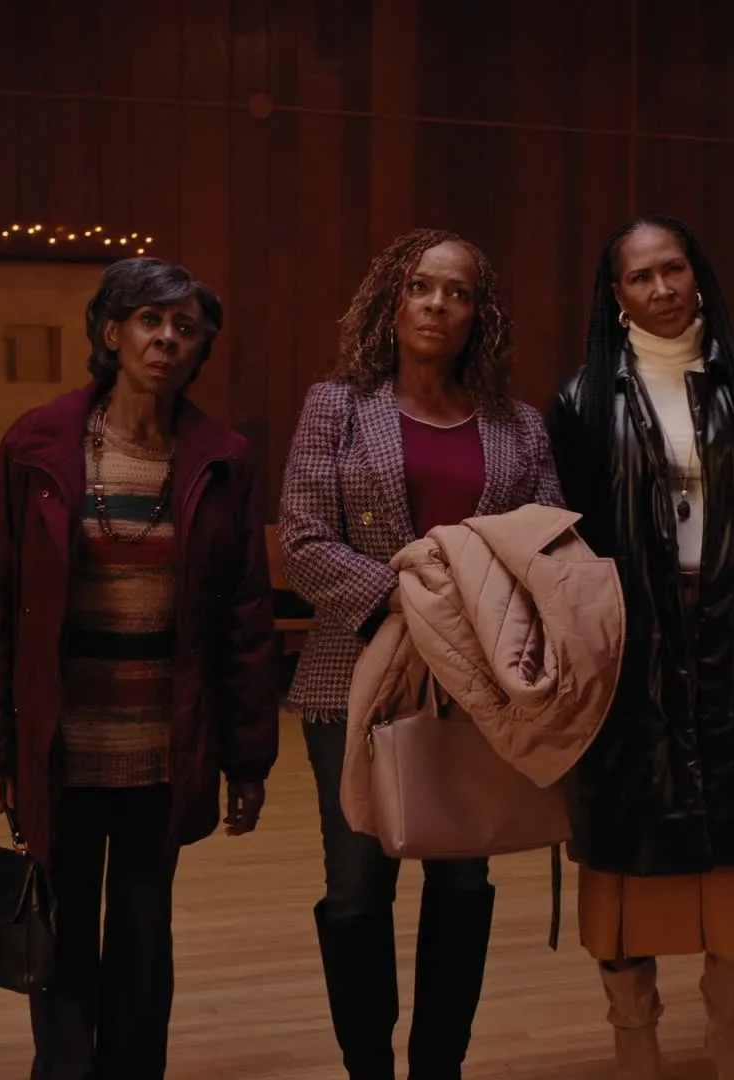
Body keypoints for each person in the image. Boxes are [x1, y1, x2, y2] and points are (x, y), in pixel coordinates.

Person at [0, 257, 276, 1080]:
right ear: (111, 333)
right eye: (149, 321)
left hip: (160, 750)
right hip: (61, 742)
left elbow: (243, 622)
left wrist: (247, 757)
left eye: (186, 328)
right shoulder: (38, 446)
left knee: (141, 935)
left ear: (200, 348)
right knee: (56, 931)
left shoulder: (222, 459)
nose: (167, 339)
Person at [545, 214, 734, 1080]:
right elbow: (575, 539)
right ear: (616, 294)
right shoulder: (585, 399)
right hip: (632, 646)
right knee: (625, 846)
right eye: (641, 276)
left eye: (675, 270)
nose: (662, 288)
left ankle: (732, 1037)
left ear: (698, 276)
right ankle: (636, 1041)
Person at [278, 227, 562, 1080]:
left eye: (459, 293)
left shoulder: (520, 426)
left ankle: (440, 1067)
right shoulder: (336, 405)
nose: (439, 305)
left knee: (464, 886)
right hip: (352, 678)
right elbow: (301, 539)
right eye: (422, 288)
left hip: (471, 688)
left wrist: (474, 619)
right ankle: (368, 1067)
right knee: (359, 889)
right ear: (392, 303)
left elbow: (546, 543)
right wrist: (413, 598)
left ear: (483, 315)